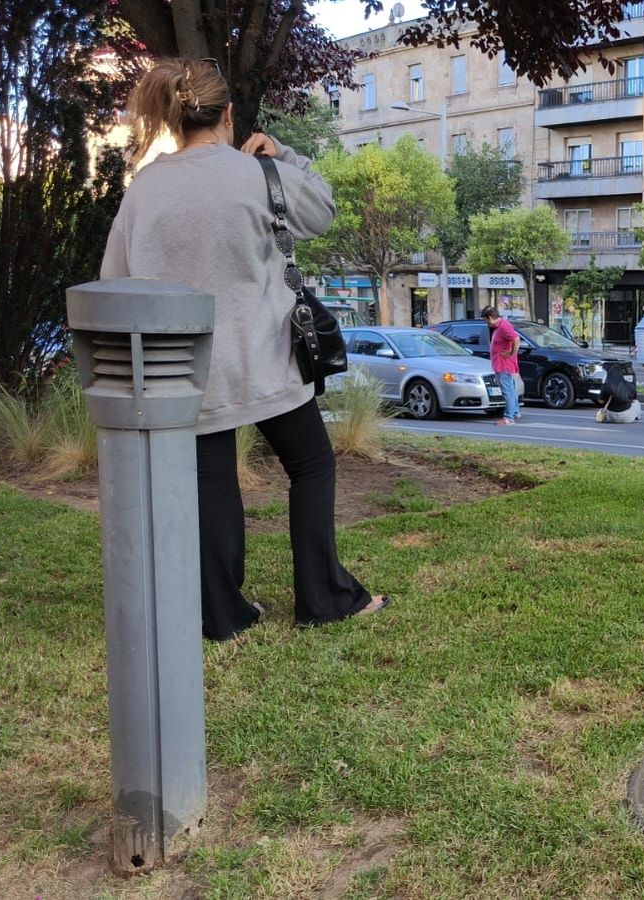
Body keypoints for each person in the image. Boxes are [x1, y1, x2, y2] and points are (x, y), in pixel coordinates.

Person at [101, 58, 385, 641]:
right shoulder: (258, 175)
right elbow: (324, 210)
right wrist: (283, 156)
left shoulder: (144, 191)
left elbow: (116, 281)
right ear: (228, 115)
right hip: (266, 360)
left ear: (175, 120)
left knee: (212, 483)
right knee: (311, 466)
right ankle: (323, 597)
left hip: (184, 370)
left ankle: (223, 613)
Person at [484, 306, 521, 425]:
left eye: (486, 320)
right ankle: (515, 412)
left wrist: (511, 354)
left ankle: (508, 417)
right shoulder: (499, 327)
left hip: (503, 365)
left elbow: (516, 339)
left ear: (490, 317)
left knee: (507, 391)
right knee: (511, 390)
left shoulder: (503, 326)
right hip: (502, 364)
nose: (486, 323)